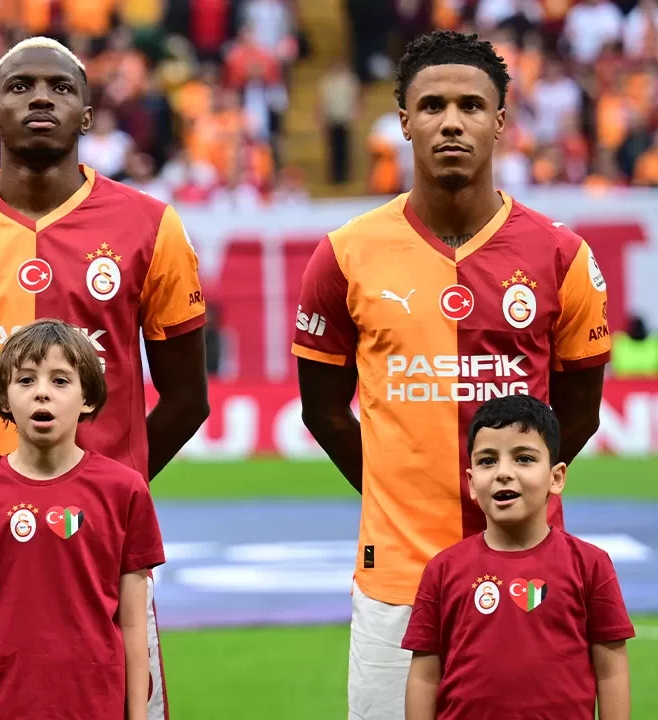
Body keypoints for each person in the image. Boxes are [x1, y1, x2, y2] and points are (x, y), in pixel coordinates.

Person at [291, 30, 611, 720]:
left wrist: (515, 492)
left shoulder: (561, 255)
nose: (451, 122)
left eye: (471, 105)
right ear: (404, 122)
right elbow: (323, 410)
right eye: (432, 106)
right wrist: (396, 492)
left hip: (532, 572)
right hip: (396, 578)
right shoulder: (344, 255)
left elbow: (578, 413)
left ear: (500, 121)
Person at [0, 37, 210, 720]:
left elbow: (188, 397)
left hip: (102, 544)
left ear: (88, 115)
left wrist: (110, 490)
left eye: (61, 88)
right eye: (21, 87)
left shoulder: (151, 226)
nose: (41, 98)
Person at [0, 318, 165, 720]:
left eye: (60, 381)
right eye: (25, 380)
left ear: (87, 397)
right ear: (3, 397)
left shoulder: (124, 490)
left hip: (94, 708)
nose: (42, 392)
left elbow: (132, 623)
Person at [403, 394, 633, 719]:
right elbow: (425, 676)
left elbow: (611, 672)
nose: (503, 473)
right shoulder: (442, 569)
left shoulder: (591, 564)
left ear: (556, 478)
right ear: (471, 482)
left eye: (523, 458)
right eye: (487, 461)